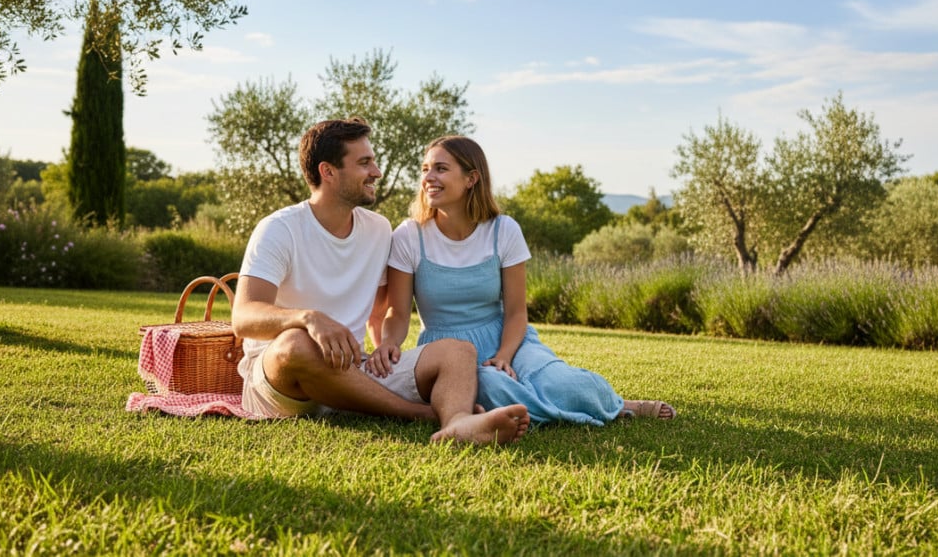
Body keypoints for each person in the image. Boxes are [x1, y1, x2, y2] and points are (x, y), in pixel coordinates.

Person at [231, 119, 529, 445]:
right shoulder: (280, 229)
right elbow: (243, 317)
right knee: (296, 343)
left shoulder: (377, 230)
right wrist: (308, 318)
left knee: (458, 351)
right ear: (328, 172)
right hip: (279, 382)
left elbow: (382, 311)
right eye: (364, 163)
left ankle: (458, 422)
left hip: (349, 370)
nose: (377, 171)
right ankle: (418, 414)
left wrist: (385, 347)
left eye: (373, 161)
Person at [367, 135, 675, 426]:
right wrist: (389, 344)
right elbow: (398, 312)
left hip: (507, 338)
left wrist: (503, 356)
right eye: (425, 169)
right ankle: (559, 410)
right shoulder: (409, 235)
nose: (428, 178)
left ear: (471, 178)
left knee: (562, 383)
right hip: (447, 350)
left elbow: (516, 312)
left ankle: (618, 404)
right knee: (491, 388)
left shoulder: (504, 230)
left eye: (441, 168)